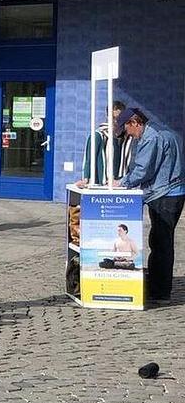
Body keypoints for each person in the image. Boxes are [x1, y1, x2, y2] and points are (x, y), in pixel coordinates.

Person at [115, 107, 184, 303]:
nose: (129, 135)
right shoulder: (163, 131)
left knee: (161, 243)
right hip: (172, 192)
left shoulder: (151, 137)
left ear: (135, 122)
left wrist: (122, 182)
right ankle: (157, 287)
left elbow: (143, 170)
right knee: (161, 241)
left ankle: (159, 292)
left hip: (164, 195)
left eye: (127, 130)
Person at [77, 100, 136, 186]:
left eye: (118, 117)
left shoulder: (127, 137)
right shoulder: (98, 135)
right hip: (102, 183)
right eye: (113, 117)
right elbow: (89, 159)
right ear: (107, 116)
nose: (115, 121)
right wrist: (85, 179)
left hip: (120, 183)